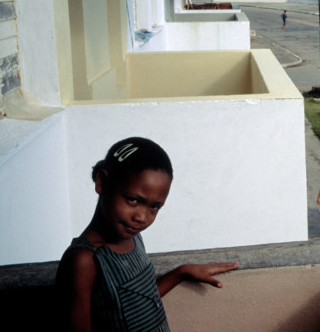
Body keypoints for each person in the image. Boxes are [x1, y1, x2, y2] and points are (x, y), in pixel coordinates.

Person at [55, 137, 239, 332]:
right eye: (133, 200)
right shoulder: (84, 260)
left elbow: (140, 301)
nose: (142, 217)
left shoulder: (134, 238)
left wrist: (182, 271)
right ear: (102, 181)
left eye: (155, 207)